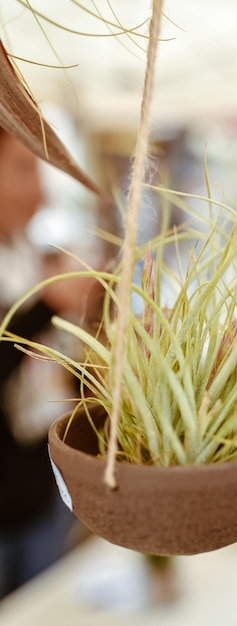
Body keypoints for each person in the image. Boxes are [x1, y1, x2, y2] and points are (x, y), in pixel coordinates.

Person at [0, 128, 98, 599]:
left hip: (41, 491)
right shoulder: (32, 281)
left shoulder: (26, 258)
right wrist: (46, 304)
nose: (40, 190)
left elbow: (53, 373)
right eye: (23, 168)